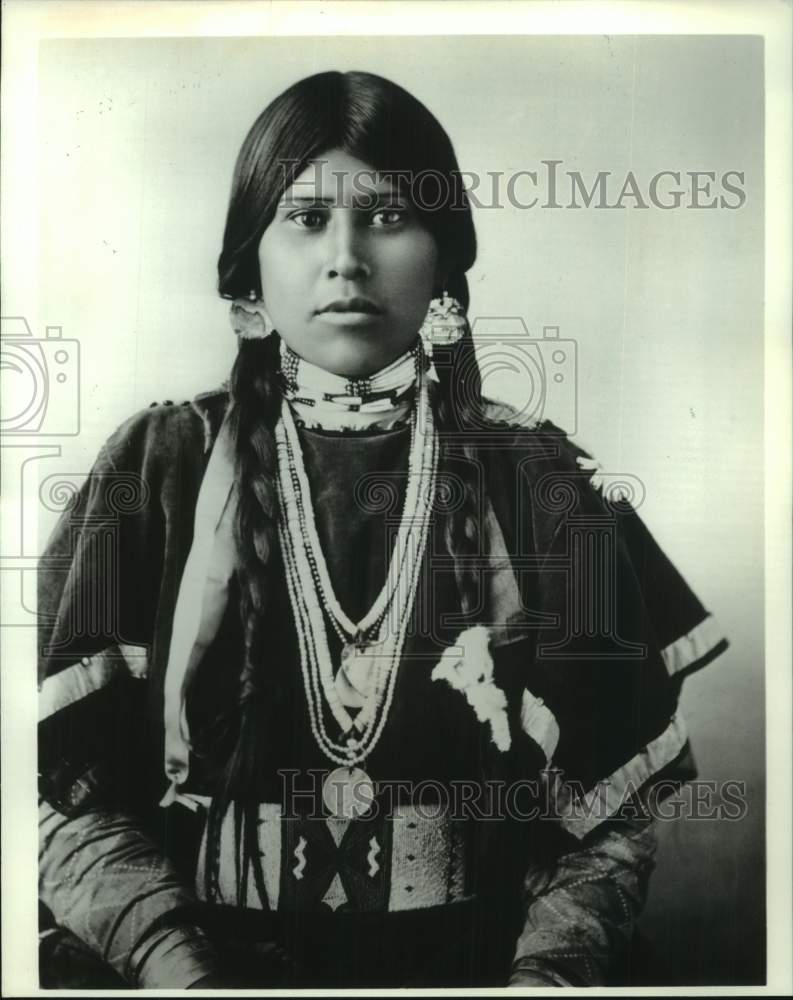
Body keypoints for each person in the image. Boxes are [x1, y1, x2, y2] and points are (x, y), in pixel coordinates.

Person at [37, 70, 730, 989]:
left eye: (387, 216)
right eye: (305, 218)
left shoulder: (540, 484)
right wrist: (176, 968)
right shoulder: (157, 468)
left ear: (444, 264)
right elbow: (56, 792)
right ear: (249, 269)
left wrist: (546, 978)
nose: (346, 258)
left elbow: (608, 817)